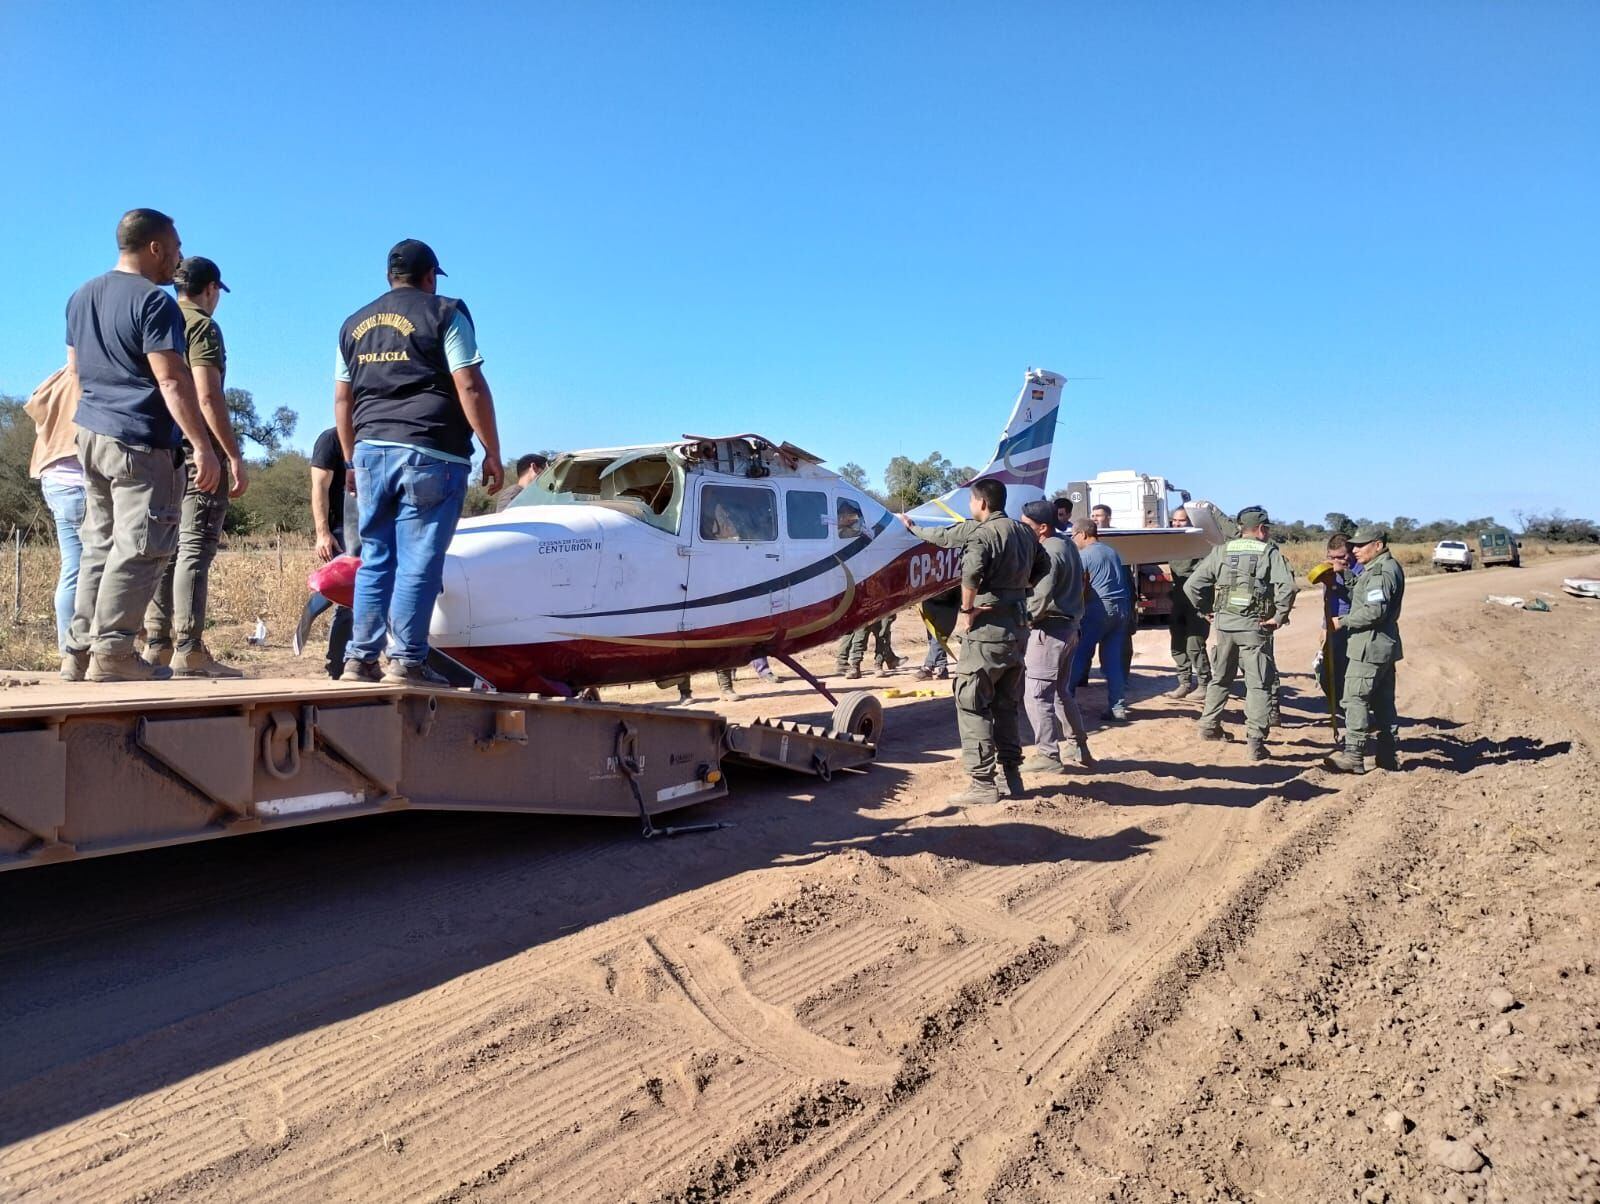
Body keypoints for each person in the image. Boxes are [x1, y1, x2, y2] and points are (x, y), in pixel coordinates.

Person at [63, 208, 221, 683]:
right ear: (154, 247)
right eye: (174, 246)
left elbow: (74, 372)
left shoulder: (80, 296)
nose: (178, 255)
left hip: (90, 432)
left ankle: (78, 653)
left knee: (99, 544)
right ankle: (112, 654)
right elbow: (172, 382)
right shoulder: (155, 303)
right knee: (141, 547)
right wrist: (202, 446)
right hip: (138, 440)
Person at [335, 239, 503, 685]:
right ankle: (407, 661)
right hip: (431, 450)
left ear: (390, 278)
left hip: (370, 451)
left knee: (376, 557)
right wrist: (493, 450)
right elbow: (468, 384)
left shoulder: (353, 324)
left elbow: (342, 397)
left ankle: (360, 659)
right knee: (419, 560)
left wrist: (351, 461)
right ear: (430, 277)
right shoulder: (445, 312)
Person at [898, 478, 1049, 805]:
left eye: (970, 501)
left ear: (981, 503)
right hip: (1017, 629)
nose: (969, 506)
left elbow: (970, 575)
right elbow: (1044, 564)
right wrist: (1019, 591)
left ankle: (982, 783)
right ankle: (1013, 776)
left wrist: (968, 609)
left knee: (971, 702)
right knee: (1006, 705)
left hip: (987, 633)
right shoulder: (1024, 532)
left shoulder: (982, 535)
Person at [142, 256, 250, 677]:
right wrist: (231, 454)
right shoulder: (201, 326)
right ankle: (189, 648)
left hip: (159, 447)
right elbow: (207, 395)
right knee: (194, 547)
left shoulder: (157, 315)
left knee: (164, 547)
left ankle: (157, 643)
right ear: (210, 290)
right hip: (196, 448)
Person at [1184, 506, 1296, 760]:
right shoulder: (1269, 552)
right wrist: (1278, 617)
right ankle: (1255, 741)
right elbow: (1287, 586)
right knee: (1257, 684)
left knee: (1220, 678)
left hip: (1225, 625)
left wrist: (1206, 611)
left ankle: (1208, 726)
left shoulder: (1221, 551)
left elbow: (1192, 585)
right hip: (1255, 627)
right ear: (1262, 529)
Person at [1018, 500, 1093, 773]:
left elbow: (1039, 597)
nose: (1021, 529)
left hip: (1049, 630)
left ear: (1043, 528)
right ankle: (1077, 745)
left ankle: (1048, 756)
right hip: (1069, 628)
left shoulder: (1048, 552)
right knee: (1061, 692)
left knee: (1036, 695)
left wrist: (1022, 620)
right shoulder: (1067, 545)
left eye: (1026, 525)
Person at [1324, 526, 1405, 774]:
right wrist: (1344, 576)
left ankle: (1354, 755)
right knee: (1383, 703)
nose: (1354, 550)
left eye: (1361, 545)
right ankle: (1388, 755)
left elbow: (1374, 611)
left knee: (1354, 699)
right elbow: (1363, 596)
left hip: (1369, 646)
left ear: (1378, 545)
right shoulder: (1378, 570)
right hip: (1380, 646)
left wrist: (1342, 621)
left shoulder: (1380, 572)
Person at [25, 365, 86, 654]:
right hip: (83, 481)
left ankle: (69, 652)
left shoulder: (58, 378)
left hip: (55, 480)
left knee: (73, 567)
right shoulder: (91, 375)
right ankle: (105, 650)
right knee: (108, 567)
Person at [310, 426, 361, 678]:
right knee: (346, 600)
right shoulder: (330, 439)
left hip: (374, 529)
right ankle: (337, 665)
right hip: (343, 532)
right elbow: (319, 487)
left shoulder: (373, 438)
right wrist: (323, 533)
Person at [1070, 519, 1132, 721]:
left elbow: (1080, 585)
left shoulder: (1085, 555)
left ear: (1083, 534)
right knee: (1113, 661)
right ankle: (1118, 708)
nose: (1072, 539)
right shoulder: (1111, 552)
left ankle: (1065, 702)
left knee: (1079, 656)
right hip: (1121, 609)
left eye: (1073, 535)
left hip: (1098, 609)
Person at [1307, 532, 1361, 717]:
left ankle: (1354, 713)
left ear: (1351, 553)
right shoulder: (1328, 569)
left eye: (1341, 557)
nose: (1336, 561)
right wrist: (1324, 626)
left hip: (1352, 627)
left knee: (1349, 673)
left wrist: (1344, 574)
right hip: (1333, 627)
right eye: (1331, 557)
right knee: (1325, 671)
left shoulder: (1361, 570)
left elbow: (1360, 600)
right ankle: (1339, 705)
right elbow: (1328, 599)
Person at [1167, 506, 1212, 699]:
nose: (1177, 524)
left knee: (1195, 642)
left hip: (1198, 599)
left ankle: (1204, 683)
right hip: (1178, 597)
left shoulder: (1203, 544)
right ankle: (1184, 682)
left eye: (1182, 520)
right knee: (1177, 641)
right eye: (1174, 521)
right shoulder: (1172, 542)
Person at [915, 586, 961, 680]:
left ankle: (928, 666)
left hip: (949, 602)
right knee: (932, 638)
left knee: (939, 637)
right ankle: (942, 667)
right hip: (929, 599)